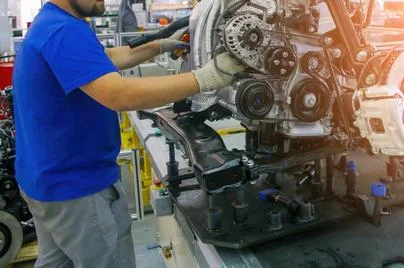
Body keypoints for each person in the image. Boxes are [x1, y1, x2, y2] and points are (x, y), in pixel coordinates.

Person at [12, 0, 245, 267]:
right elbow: (119, 94)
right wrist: (207, 78)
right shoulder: (62, 31)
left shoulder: (52, 23)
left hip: (44, 182)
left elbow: (104, 58)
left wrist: (159, 45)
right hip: (77, 189)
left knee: (56, 262)